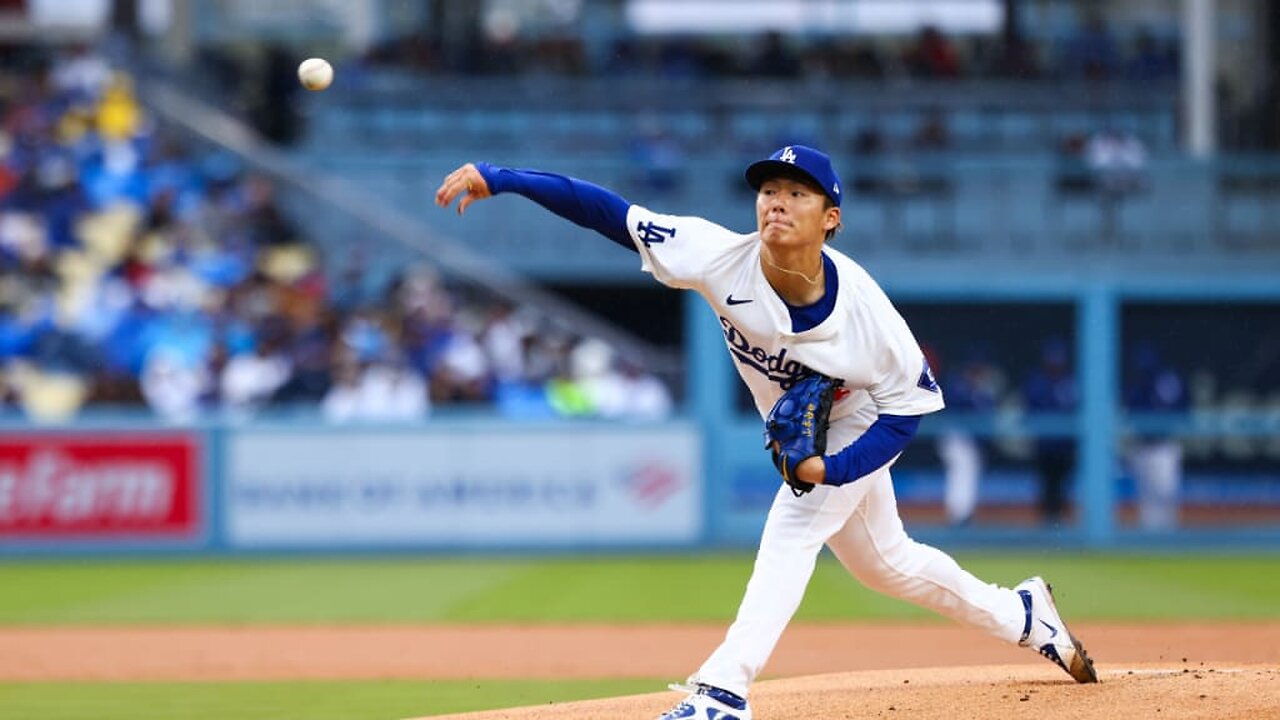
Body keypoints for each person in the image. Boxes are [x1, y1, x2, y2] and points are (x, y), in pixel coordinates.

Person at [434, 145, 1097, 720]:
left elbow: (905, 413)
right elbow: (608, 210)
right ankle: (1023, 616)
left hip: (860, 415)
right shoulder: (718, 257)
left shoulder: (870, 320)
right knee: (886, 565)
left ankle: (724, 689)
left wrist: (831, 472)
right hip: (812, 425)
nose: (776, 201)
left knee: (794, 526)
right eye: (769, 190)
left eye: (796, 193)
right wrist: (504, 178)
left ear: (829, 218)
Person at [1124, 342, 1188, 531]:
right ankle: (1149, 541)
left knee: (1165, 494)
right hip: (1142, 446)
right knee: (1147, 499)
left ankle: (1167, 538)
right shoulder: (1135, 386)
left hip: (1164, 447)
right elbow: (1129, 414)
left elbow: (1183, 409)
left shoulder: (1168, 381)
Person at [1022, 338, 1078, 525]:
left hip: (1065, 447)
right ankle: (1047, 528)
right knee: (1046, 488)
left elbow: (1076, 411)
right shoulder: (1038, 382)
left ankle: (1059, 526)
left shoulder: (1070, 383)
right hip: (1045, 446)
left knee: (1063, 489)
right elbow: (1030, 412)